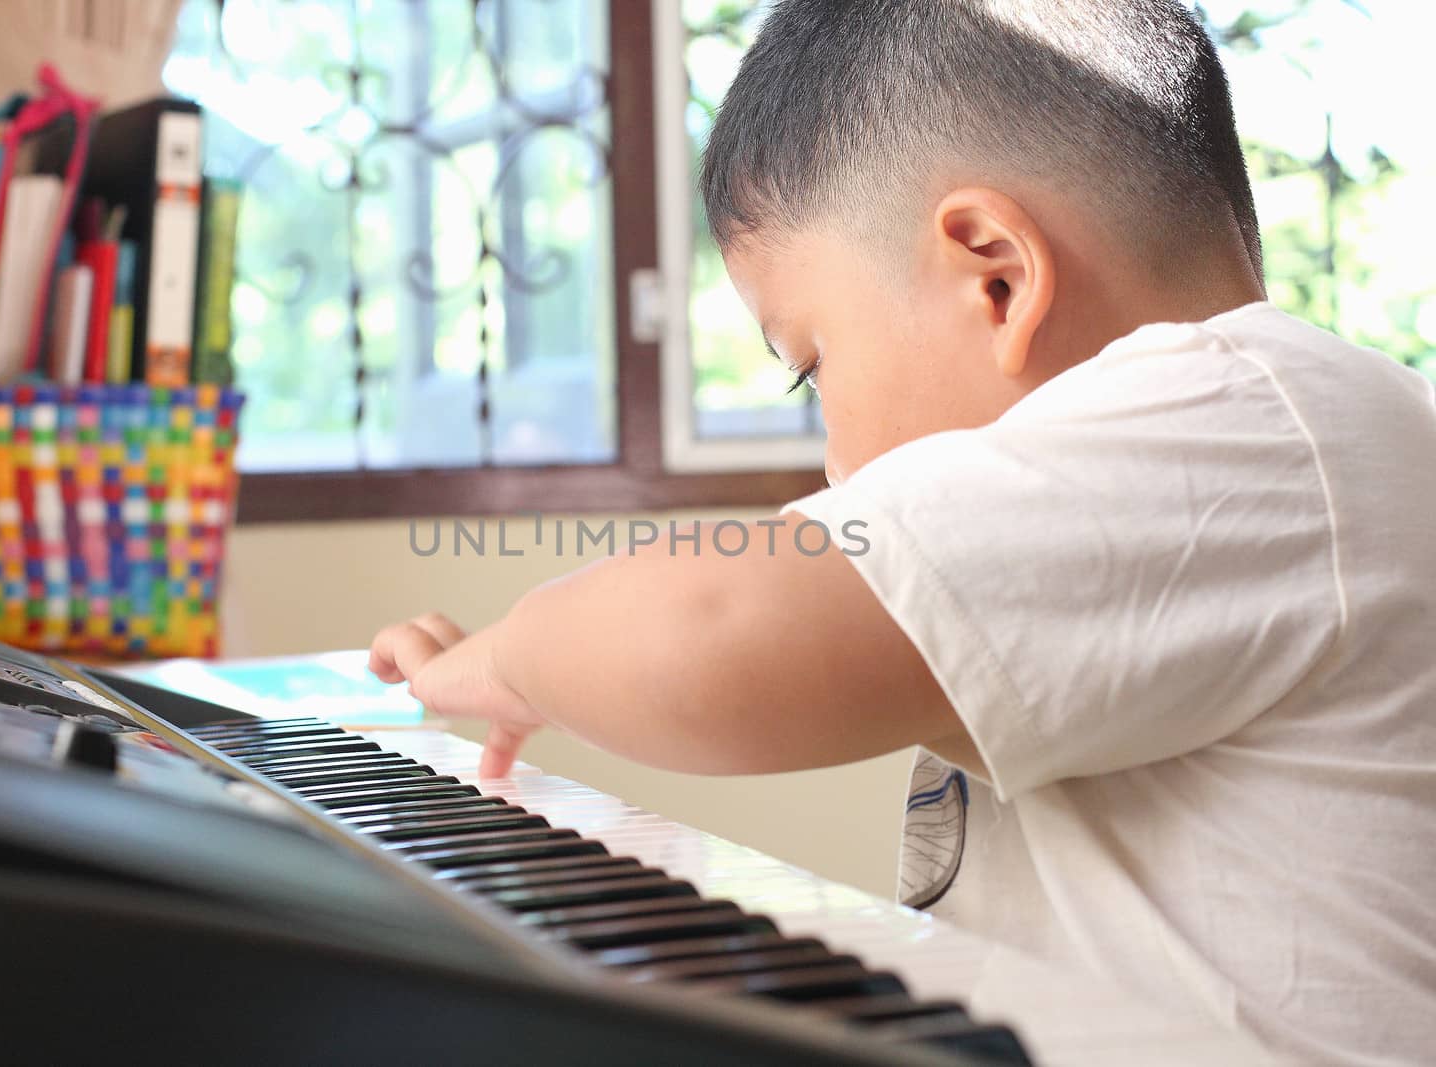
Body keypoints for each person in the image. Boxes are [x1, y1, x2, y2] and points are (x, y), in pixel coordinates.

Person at [368, 1, 1436, 1061]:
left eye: (810, 365)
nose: (831, 461)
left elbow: (703, 636)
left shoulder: (1247, 415)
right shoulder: (1262, 449)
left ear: (997, 276)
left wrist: (511, 657)